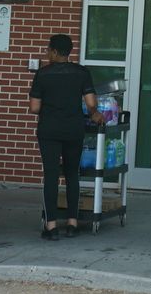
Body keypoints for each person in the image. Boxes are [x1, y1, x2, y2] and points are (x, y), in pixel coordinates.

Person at [28, 32, 100, 240]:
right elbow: (91, 104)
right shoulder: (81, 73)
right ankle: (72, 223)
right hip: (73, 129)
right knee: (72, 175)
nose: (46, 52)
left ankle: (51, 227)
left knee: (50, 176)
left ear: (55, 51)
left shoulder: (43, 74)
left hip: (49, 130)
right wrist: (95, 114)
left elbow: (34, 107)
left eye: (48, 49)